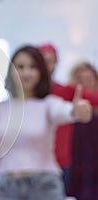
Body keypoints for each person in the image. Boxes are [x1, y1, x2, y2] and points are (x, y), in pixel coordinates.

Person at [0, 45, 92, 200]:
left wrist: (76, 111)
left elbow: (65, 111)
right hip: (8, 187)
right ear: (11, 71)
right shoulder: (0, 109)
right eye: (20, 67)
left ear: (41, 72)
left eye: (33, 67)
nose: (26, 72)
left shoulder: (49, 104)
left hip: (44, 186)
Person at [38, 43, 98, 193]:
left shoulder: (65, 91)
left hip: (60, 161)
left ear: (56, 63)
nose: (46, 66)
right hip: (32, 163)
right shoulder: (24, 97)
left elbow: (93, 97)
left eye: (50, 61)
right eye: (41, 61)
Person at [67, 61, 98, 200]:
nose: (86, 84)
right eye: (81, 80)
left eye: (90, 80)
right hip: (75, 161)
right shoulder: (67, 108)